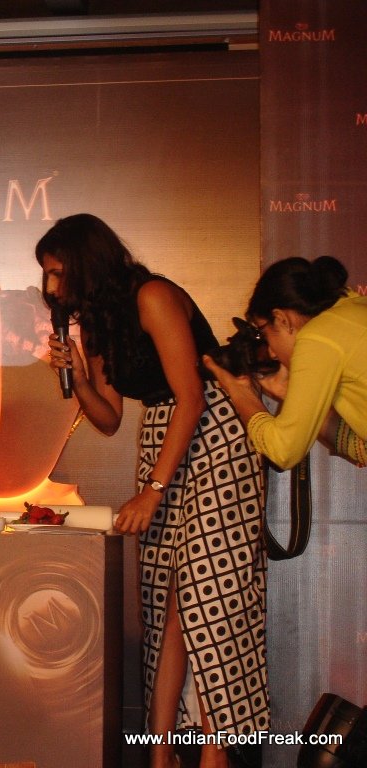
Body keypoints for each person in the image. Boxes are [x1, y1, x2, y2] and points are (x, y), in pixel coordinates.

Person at [37, 214, 268, 768]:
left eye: (57, 271)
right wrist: (79, 379)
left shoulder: (153, 295)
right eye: (47, 274)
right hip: (162, 437)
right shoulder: (97, 322)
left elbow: (192, 395)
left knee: (209, 599)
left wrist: (153, 490)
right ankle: (161, 753)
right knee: (166, 603)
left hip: (215, 436)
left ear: (87, 261)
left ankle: (215, 753)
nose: (50, 285)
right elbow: (109, 418)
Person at [203, 256, 367, 469]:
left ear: (281, 319)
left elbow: (283, 451)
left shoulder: (319, 337)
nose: (272, 353)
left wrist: (238, 391)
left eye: (264, 333)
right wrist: (288, 392)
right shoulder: (354, 309)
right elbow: (361, 448)